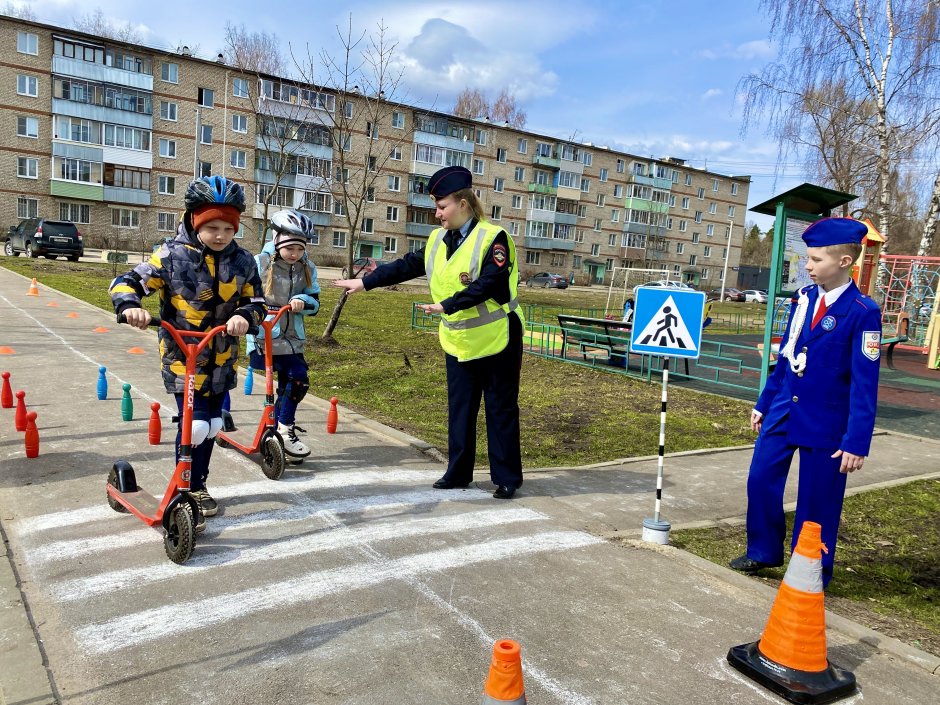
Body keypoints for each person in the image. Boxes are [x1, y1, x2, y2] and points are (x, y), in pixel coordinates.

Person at [332, 165, 525, 499]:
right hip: (459, 339)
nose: (437, 214)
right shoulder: (437, 240)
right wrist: (365, 282)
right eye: (436, 207)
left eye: (442, 206)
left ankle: (506, 477)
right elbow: (406, 266)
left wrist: (448, 304)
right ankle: (458, 472)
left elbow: (489, 283)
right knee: (460, 407)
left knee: (500, 407)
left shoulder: (494, 237)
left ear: (464, 203)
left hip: (498, 337)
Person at [730, 217, 881, 587]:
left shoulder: (863, 312)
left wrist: (856, 441)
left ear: (844, 262)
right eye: (807, 259)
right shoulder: (805, 298)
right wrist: (764, 402)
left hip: (826, 420)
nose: (807, 266)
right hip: (784, 406)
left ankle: (809, 572)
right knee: (760, 479)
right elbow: (787, 356)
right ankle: (763, 551)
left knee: (818, 500)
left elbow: (865, 384)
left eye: (815, 260)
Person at [109, 176, 265, 526]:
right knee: (193, 425)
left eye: (228, 227)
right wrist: (130, 304)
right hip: (183, 356)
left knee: (211, 426)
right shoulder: (171, 255)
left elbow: (257, 301)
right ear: (194, 220)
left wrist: (245, 315)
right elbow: (127, 281)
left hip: (222, 357)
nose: (221, 234)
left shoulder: (243, 261)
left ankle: (196, 485)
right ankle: (184, 485)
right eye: (212, 226)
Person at [245, 209, 320, 463]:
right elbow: (246, 298)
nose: (295, 254)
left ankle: (283, 428)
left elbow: (316, 303)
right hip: (264, 336)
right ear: (277, 241)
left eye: (300, 249)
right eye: (290, 248)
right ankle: (276, 430)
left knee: (298, 380)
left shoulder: (306, 267)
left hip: (293, 337)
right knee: (276, 386)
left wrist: (303, 300)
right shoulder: (260, 263)